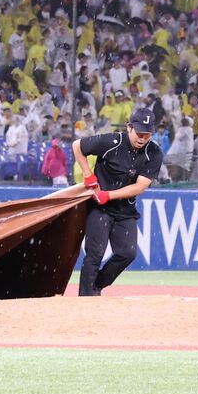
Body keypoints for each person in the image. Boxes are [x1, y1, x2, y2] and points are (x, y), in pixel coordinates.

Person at [71, 108, 162, 296]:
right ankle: (85, 298)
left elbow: (139, 187)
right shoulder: (111, 141)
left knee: (127, 253)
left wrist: (108, 195)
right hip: (99, 208)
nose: (142, 138)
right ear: (129, 128)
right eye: (139, 132)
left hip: (124, 210)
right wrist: (89, 176)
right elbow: (77, 146)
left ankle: (96, 286)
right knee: (95, 253)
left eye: (147, 134)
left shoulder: (153, 153)